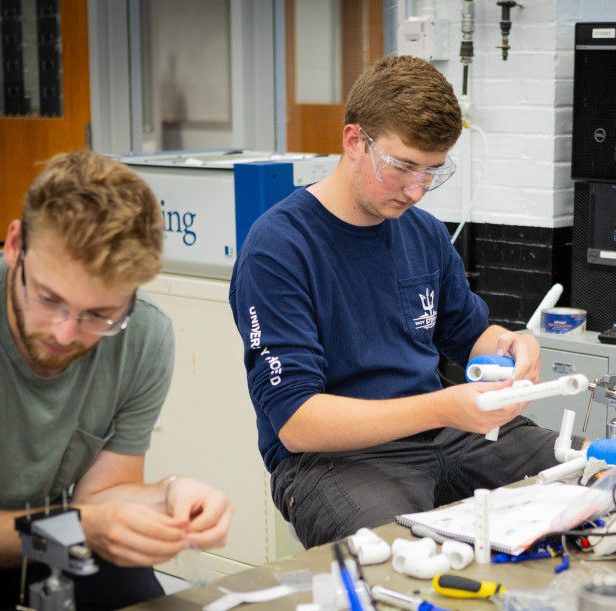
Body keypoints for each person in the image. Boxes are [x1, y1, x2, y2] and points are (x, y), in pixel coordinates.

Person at [229, 55, 564, 549]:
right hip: (336, 462)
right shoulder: (280, 248)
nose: (416, 189)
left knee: (585, 481)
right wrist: (444, 407)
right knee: (401, 556)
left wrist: (513, 344)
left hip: (447, 437)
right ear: (353, 142)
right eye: (403, 166)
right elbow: (298, 423)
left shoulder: (423, 235)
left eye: (433, 171)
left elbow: (472, 336)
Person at [0, 149, 233, 611]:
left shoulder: (145, 336)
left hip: (54, 538)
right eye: (48, 298)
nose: (65, 333)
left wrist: (169, 495)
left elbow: (103, 495)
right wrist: (79, 526)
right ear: (14, 246)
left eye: (100, 314)